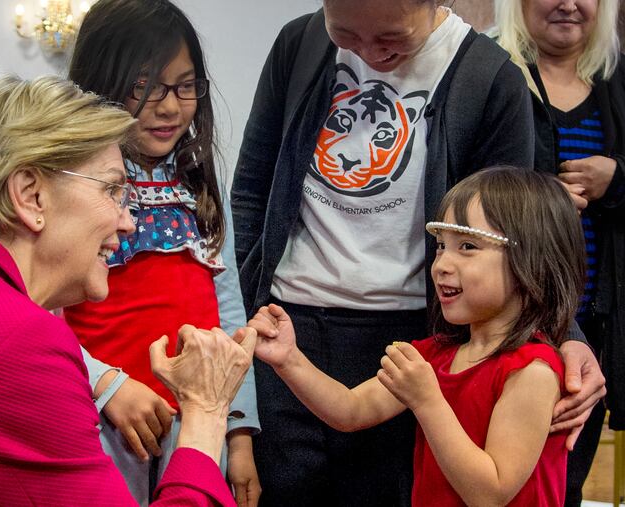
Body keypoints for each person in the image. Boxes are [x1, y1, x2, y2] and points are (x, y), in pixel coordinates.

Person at [230, 0, 606, 505]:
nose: (367, 52)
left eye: (389, 37)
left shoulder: (489, 76)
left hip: (409, 327)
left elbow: (520, 232)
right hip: (293, 319)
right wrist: (267, 334)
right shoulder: (298, 45)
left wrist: (565, 332)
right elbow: (252, 188)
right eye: (344, 32)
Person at [0, 73, 255, 506]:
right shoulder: (18, 343)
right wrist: (205, 412)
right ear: (31, 196)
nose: (128, 223)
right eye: (112, 190)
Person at [249, 166, 586, 506]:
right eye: (441, 246)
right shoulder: (435, 355)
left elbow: (490, 494)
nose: (441, 264)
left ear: (532, 260)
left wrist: (427, 401)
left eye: (467, 246)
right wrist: (289, 359)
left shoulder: (532, 372)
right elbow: (350, 411)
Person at [65, 1, 260, 505]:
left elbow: (229, 311)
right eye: (145, 87)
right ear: (98, 81)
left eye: (186, 85)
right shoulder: (74, 184)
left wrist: (237, 432)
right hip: (102, 416)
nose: (170, 106)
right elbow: (39, 312)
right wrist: (106, 387)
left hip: (197, 422)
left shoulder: (199, 184)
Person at [495, 1, 625, 504]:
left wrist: (616, 178)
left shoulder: (616, 82)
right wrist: (538, 199)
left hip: (595, 330)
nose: (570, 3)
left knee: (562, 486)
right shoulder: (492, 74)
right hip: (510, 324)